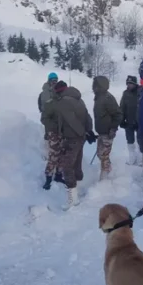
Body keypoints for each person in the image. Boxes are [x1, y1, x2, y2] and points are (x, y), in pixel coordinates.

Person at [40, 80, 95, 209]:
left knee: (67, 166)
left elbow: (71, 121)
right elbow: (87, 117)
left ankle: (73, 199)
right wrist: (88, 131)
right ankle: (77, 190)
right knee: (76, 162)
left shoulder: (64, 102)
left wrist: (83, 132)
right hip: (78, 137)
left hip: (72, 137)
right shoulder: (78, 100)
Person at [92, 76, 122, 180]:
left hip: (108, 132)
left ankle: (105, 178)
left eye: (95, 85)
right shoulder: (98, 97)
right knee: (100, 154)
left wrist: (113, 128)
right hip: (101, 132)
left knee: (104, 155)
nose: (93, 87)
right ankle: (109, 169)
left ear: (100, 86)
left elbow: (118, 114)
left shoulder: (108, 98)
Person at [39, 72, 64, 189]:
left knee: (62, 154)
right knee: (53, 155)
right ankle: (48, 177)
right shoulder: (46, 95)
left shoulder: (61, 95)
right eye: (52, 79)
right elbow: (43, 115)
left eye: (56, 79)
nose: (54, 81)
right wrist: (51, 128)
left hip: (63, 130)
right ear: (49, 81)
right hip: (52, 130)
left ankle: (59, 175)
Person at [119, 75, 142, 165]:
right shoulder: (125, 93)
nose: (129, 85)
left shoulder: (141, 91)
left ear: (135, 84)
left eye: (131, 83)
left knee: (141, 141)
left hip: (140, 121)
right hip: (129, 121)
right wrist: (121, 120)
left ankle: (141, 159)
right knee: (130, 140)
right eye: (128, 83)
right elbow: (122, 107)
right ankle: (132, 157)